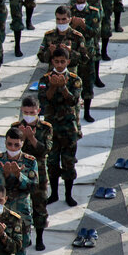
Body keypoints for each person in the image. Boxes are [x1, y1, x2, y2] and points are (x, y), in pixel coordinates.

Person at [37, 48, 83, 207]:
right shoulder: (45, 79)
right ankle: (54, 194)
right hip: (51, 128)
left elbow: (73, 101)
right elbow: (43, 101)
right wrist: (52, 86)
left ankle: (68, 195)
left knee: (68, 163)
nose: (59, 64)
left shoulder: (74, 79)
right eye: (56, 61)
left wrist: (63, 87)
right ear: (52, 62)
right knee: (52, 162)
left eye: (62, 61)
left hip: (69, 128)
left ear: (68, 62)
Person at [13, 96, 51, 250]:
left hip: (38, 172)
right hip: (21, 171)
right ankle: (25, 236)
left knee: (40, 205)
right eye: (26, 112)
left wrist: (31, 138)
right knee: (21, 205)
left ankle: (40, 238)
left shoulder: (46, 127)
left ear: (38, 111)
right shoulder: (16, 127)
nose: (28, 115)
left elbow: (46, 150)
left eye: (32, 112)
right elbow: (13, 148)